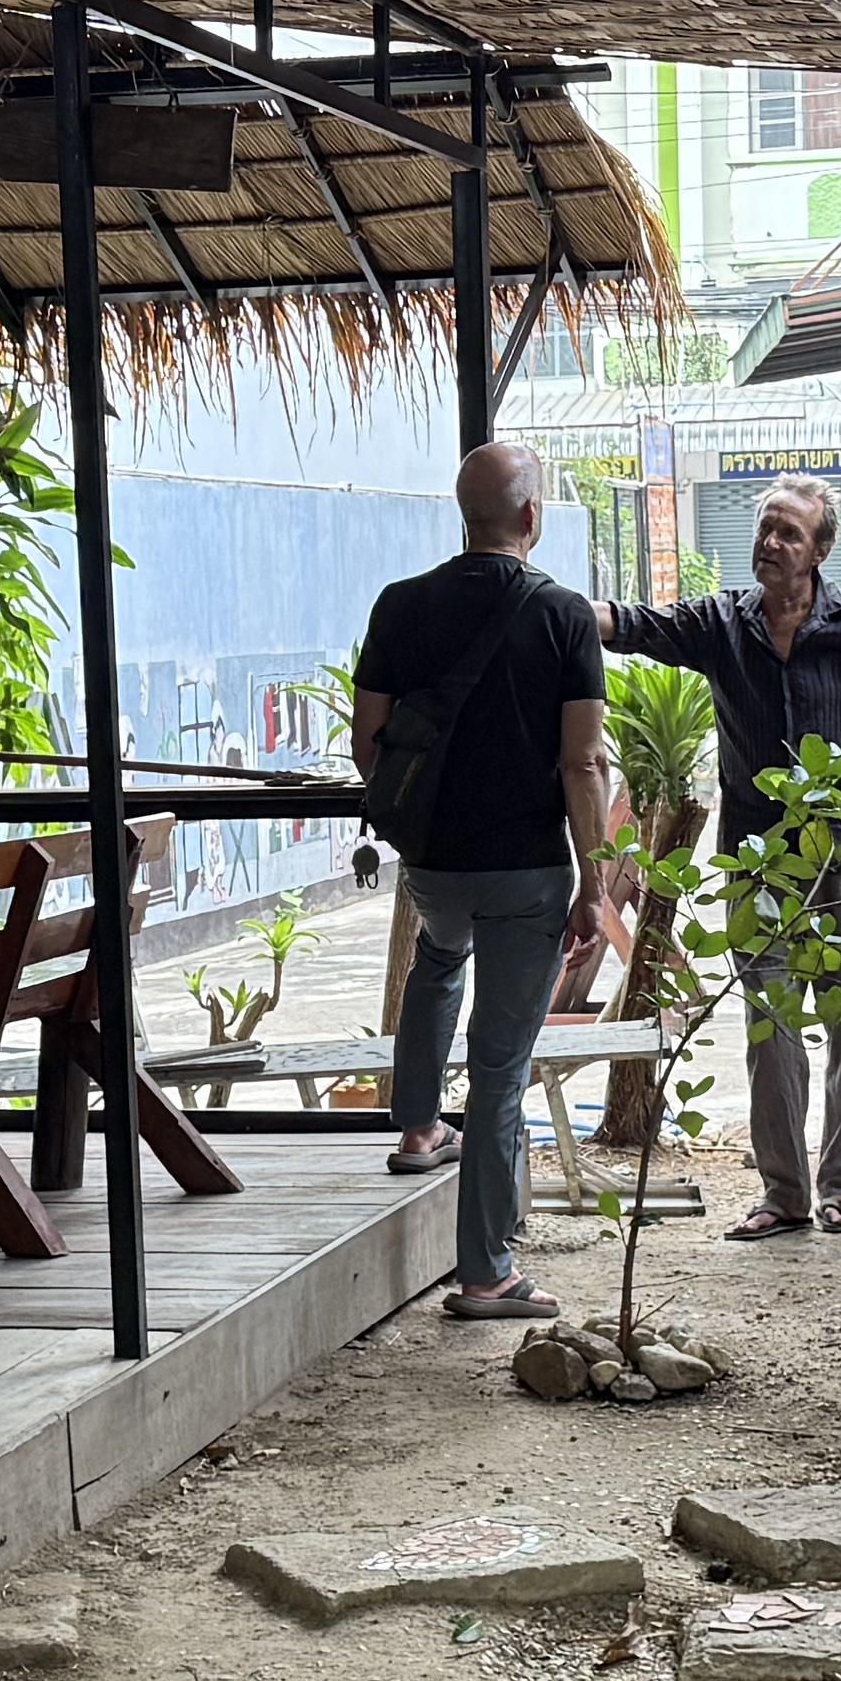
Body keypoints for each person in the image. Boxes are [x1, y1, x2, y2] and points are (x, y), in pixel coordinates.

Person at [601, 474, 841, 1238]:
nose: (771, 543)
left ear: (818, 553)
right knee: (768, 1019)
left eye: (789, 534)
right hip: (757, 856)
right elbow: (629, 623)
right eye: (766, 529)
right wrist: (542, 600)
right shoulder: (720, 624)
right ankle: (784, 1195)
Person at [347, 441, 626, 1325]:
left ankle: (418, 1128)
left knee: (439, 956)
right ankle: (486, 1274)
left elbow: (367, 741)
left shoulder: (400, 604)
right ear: (532, 516)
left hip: (434, 865)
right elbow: (583, 763)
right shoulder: (564, 615)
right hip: (526, 871)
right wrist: (594, 884)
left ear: (464, 516)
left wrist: (417, 817)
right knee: (501, 1069)